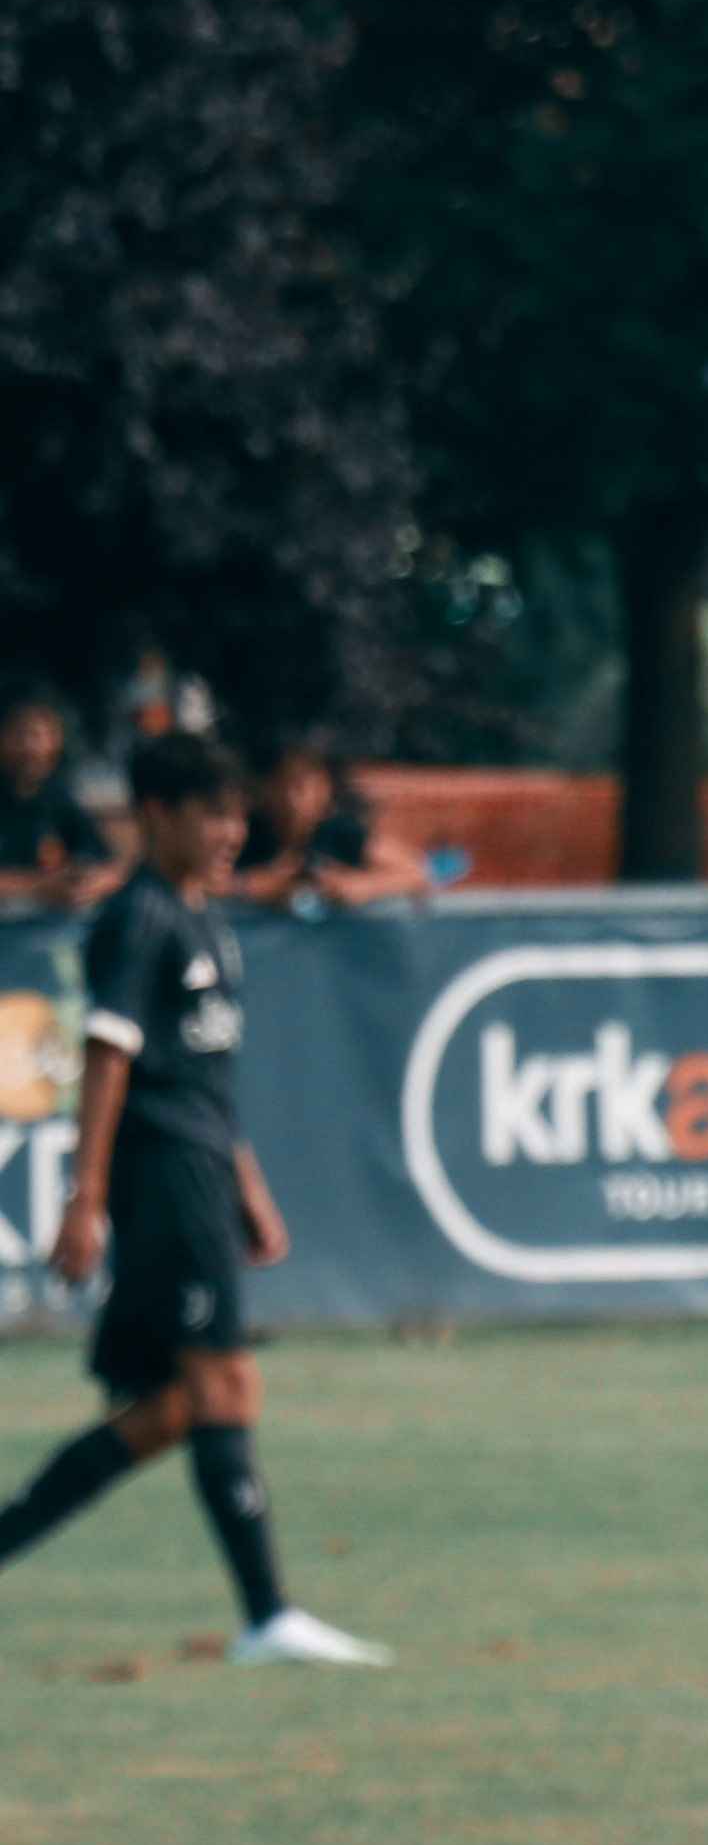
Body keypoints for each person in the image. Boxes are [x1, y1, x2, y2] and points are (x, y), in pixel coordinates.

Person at [0, 733, 389, 1665]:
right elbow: (109, 1058)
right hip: (164, 1176)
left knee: (177, 1408)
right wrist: (86, 1196)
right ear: (156, 815)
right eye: (210, 816)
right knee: (225, 1382)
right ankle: (268, 1616)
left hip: (203, 1171)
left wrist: (248, 1185)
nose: (231, 833)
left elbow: (205, 1075)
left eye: (234, 815)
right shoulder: (139, 920)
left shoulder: (204, 918)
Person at [241, 739, 428, 911]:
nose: (291, 801)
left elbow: (416, 873)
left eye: (300, 788)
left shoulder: (340, 834)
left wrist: (363, 885)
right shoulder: (249, 835)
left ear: (325, 791)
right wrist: (258, 886)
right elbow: (227, 883)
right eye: (280, 786)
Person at [0, 687, 115, 910]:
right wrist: (39, 887)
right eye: (20, 735)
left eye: (39, 736)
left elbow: (108, 867)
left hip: (53, 924)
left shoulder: (59, 800)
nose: (31, 748)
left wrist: (87, 884)